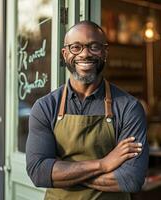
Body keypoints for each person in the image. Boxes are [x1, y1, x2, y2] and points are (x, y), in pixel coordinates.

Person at [26, 20, 149, 200]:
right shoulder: (45, 107)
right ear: (65, 53)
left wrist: (62, 172)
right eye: (76, 47)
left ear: (105, 52)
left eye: (94, 47)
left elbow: (131, 179)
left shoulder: (129, 107)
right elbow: (38, 172)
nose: (85, 54)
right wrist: (103, 164)